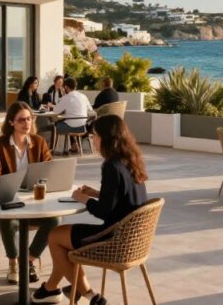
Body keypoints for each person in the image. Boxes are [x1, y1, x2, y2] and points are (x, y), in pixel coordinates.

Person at [32, 114, 148, 305]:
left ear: (105, 138)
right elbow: (121, 197)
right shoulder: (130, 160)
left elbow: (104, 211)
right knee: (63, 242)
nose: (93, 140)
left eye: (94, 135)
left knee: (55, 237)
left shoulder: (111, 165)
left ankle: (90, 295)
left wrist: (83, 198)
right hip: (132, 239)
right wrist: (96, 193)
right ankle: (50, 289)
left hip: (114, 240)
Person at [0, 102, 59, 285]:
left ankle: (28, 260)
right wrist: (13, 185)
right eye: (21, 120)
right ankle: (13, 263)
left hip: (34, 202)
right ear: (11, 122)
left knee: (55, 221)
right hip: (9, 201)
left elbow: (50, 169)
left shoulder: (38, 142)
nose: (27, 123)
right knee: (7, 220)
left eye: (29, 119)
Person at [51, 77, 94, 154]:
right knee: (69, 121)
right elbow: (91, 111)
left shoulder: (66, 97)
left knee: (56, 124)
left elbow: (55, 111)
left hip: (71, 127)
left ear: (66, 87)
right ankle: (73, 145)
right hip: (83, 127)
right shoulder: (83, 96)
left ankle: (55, 149)